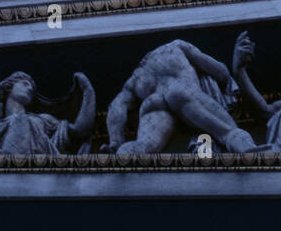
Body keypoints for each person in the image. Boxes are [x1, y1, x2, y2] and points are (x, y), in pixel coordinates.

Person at [107, 40, 255, 154]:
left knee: (142, 147)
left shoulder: (134, 79)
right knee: (227, 131)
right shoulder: (175, 46)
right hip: (180, 92)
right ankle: (250, 152)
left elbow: (116, 106)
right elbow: (221, 72)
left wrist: (115, 141)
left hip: (152, 104)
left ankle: (124, 153)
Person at [0, 71, 95, 155]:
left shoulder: (42, 120)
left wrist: (88, 92)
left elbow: (81, 130)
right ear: (8, 87)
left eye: (32, 88)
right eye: (25, 83)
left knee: (20, 120)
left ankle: (4, 163)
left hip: (30, 169)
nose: (29, 89)